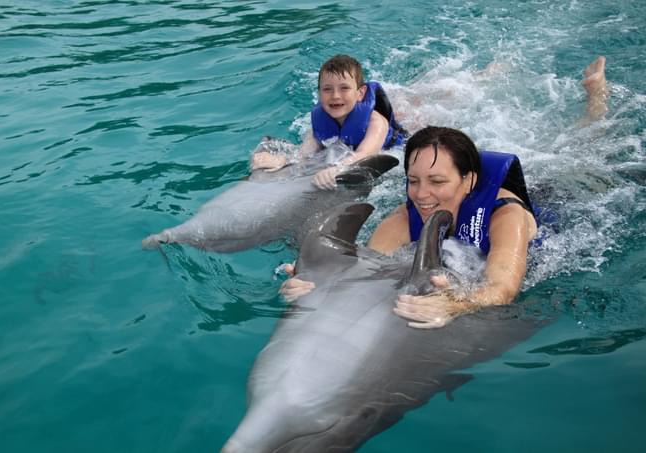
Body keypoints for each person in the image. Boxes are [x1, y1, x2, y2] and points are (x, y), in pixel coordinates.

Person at [280, 56, 609, 328]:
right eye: (413, 180)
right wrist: (319, 284)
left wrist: (457, 304)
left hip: (560, 199)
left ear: (468, 181)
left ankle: (597, 98)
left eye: (438, 182)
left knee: (587, 147)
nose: (422, 194)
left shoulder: (506, 216)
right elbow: (368, 272)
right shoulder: (402, 219)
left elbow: (502, 287)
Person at [251, 54, 406, 189]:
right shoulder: (319, 124)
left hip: (394, 148)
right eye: (327, 89)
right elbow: (304, 156)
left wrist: (338, 168)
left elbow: (365, 154)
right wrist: (283, 160)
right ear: (319, 93)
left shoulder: (376, 123)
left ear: (360, 93)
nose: (335, 95)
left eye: (344, 88)